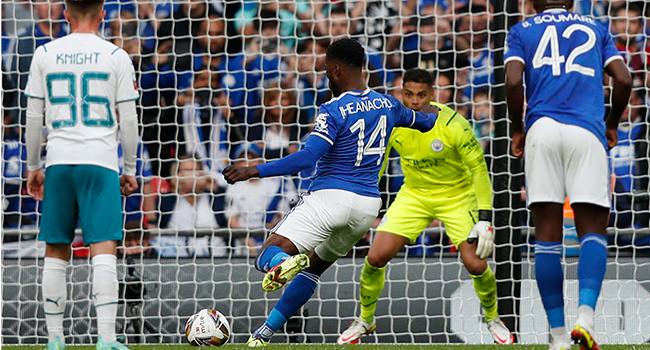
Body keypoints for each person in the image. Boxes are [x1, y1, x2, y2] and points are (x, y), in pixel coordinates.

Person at [222, 38, 438, 347]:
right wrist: (432, 109)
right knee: (313, 269)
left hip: (330, 197)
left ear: (336, 70)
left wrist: (252, 169)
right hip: (366, 207)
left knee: (267, 255)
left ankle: (282, 262)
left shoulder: (334, 109)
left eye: (325, 70)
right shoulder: (389, 104)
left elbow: (308, 157)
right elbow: (426, 122)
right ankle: (263, 335)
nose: (325, 76)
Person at [336, 68, 512, 345]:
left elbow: (478, 169)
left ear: (432, 94)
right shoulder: (392, 122)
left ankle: (492, 318)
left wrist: (484, 217)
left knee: (475, 264)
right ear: (401, 93)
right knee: (375, 258)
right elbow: (378, 167)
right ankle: (365, 319)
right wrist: (362, 201)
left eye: (421, 95)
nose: (414, 101)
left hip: (457, 196)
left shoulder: (455, 124)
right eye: (408, 94)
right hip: (414, 196)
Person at [504, 0, 632, 349]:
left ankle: (558, 337)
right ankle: (586, 319)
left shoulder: (521, 30)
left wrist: (518, 128)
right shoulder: (595, 28)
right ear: (573, 1)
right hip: (586, 131)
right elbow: (624, 78)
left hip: (542, 130)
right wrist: (611, 123)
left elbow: (514, 82)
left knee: (546, 236)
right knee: (593, 230)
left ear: (531, 3)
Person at [23, 0, 140, 349]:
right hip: (100, 161)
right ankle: (106, 339)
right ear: (103, 13)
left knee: (56, 248)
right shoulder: (116, 55)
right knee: (104, 246)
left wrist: (33, 167)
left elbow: (32, 117)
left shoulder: (45, 52)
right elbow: (129, 120)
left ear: (65, 13)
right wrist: (130, 169)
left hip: (58, 160)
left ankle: (55, 340)